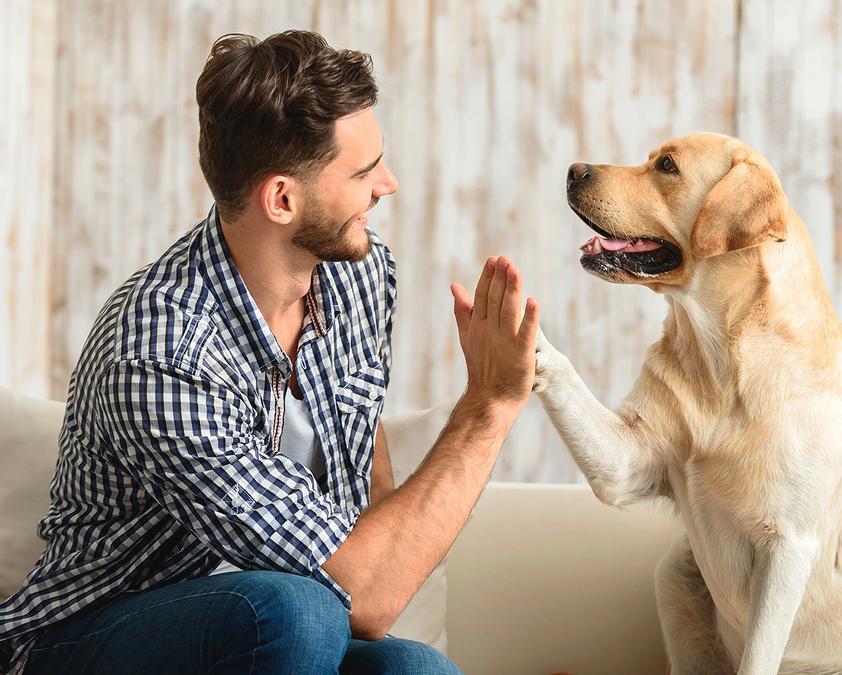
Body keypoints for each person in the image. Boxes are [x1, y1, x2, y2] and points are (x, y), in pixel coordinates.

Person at [0, 29, 539, 674]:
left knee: (417, 670)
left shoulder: (359, 276)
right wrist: (489, 406)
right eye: (364, 172)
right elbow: (361, 596)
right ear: (281, 198)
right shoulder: (161, 347)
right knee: (292, 611)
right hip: (93, 635)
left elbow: (369, 504)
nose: (388, 185)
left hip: (287, 631)